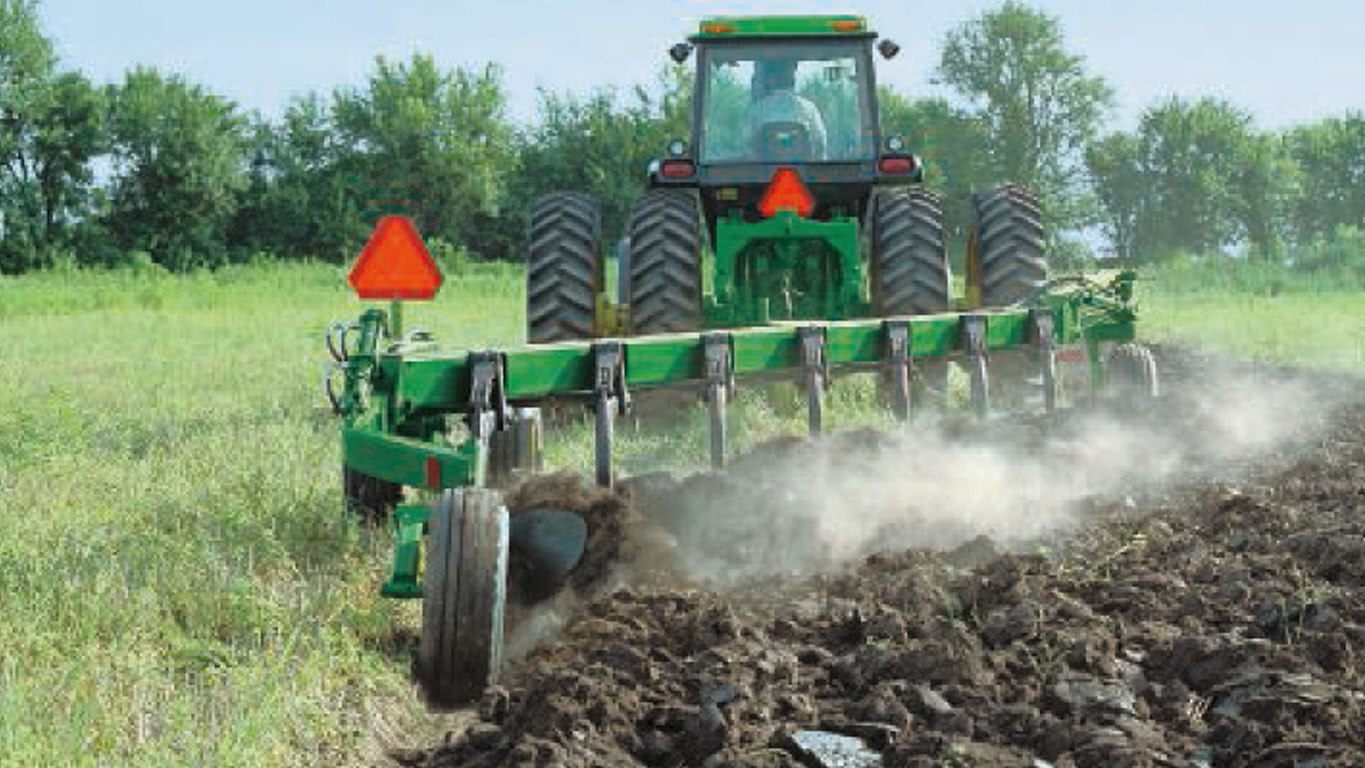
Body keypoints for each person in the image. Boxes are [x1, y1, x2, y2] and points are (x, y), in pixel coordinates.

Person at [750, 58, 828, 161]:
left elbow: (747, 146)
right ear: (793, 78)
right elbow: (820, 144)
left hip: (763, 175)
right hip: (805, 174)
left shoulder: (757, 110)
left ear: (771, 78)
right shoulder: (809, 109)